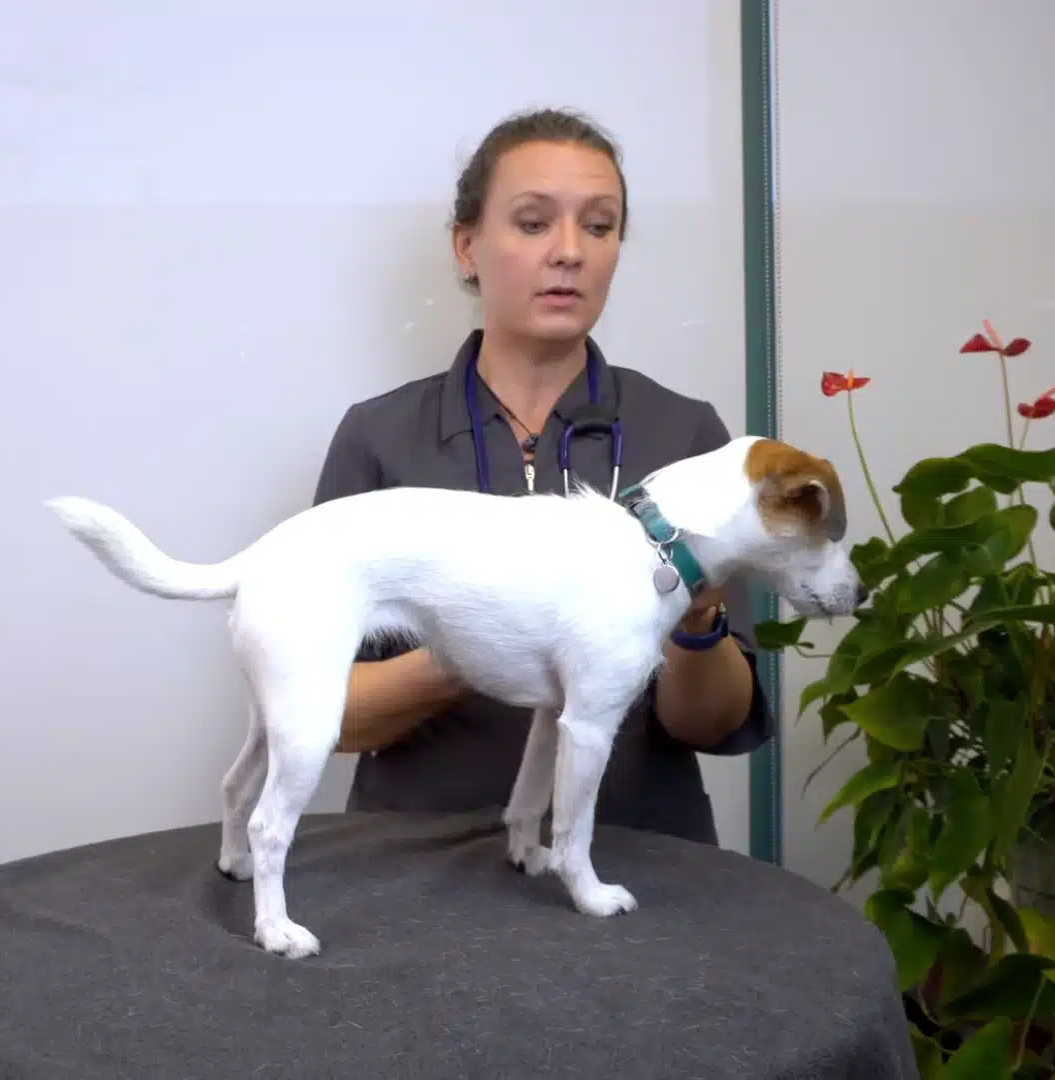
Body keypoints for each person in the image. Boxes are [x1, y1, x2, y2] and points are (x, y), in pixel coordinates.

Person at [309, 107, 771, 848]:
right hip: (412, 866)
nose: (569, 252)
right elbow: (328, 715)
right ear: (467, 246)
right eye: (532, 223)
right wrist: (488, 639)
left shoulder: (686, 437)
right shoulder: (380, 438)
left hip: (640, 858)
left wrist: (693, 624)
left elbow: (713, 724)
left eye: (599, 226)